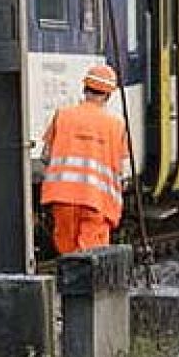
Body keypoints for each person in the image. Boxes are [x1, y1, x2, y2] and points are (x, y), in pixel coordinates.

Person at [40, 64, 128, 255]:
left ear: (85, 88)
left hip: (62, 198)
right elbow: (120, 167)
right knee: (90, 258)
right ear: (108, 95)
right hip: (96, 201)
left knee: (67, 252)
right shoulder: (116, 125)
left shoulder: (62, 115)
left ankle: (67, 284)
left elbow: (45, 156)